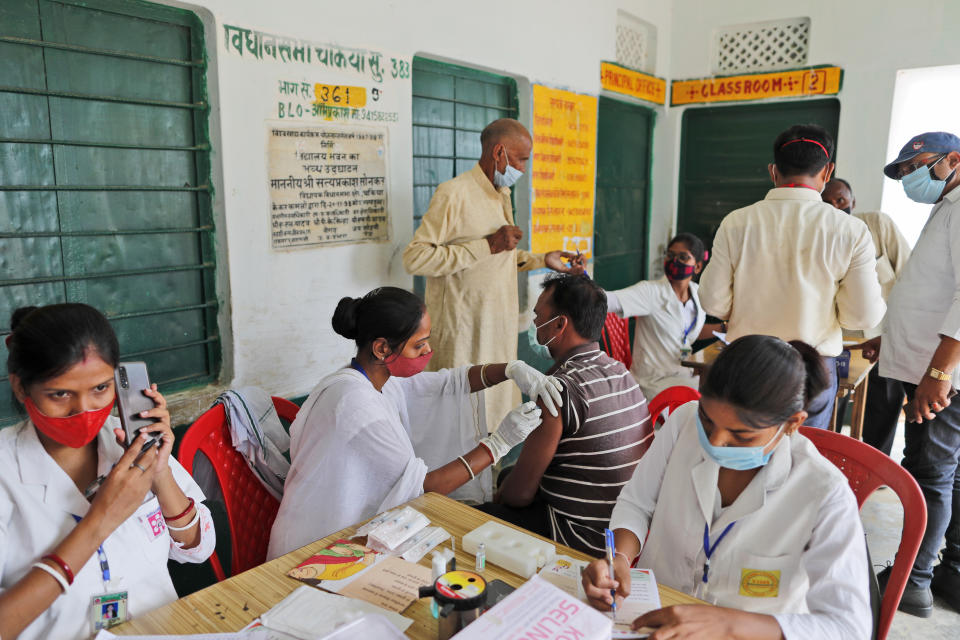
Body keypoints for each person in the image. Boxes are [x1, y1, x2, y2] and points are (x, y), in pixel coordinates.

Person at [581, 335, 871, 639]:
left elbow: (848, 627)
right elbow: (637, 503)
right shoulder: (682, 424)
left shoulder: (824, 494)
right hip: (653, 614)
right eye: (707, 421)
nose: (715, 442)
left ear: (793, 423)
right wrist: (620, 559)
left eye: (742, 436)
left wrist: (727, 624)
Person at [268, 287, 565, 559]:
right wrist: (499, 444)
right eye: (418, 345)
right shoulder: (355, 405)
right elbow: (425, 486)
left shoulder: (378, 380)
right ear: (382, 348)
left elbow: (451, 382)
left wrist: (512, 369)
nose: (427, 352)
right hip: (313, 544)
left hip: (341, 529)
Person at [0, 304, 215, 640]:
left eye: (100, 389)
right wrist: (101, 521)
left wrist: (159, 472)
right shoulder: (5, 472)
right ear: (20, 387)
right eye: (60, 394)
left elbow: (199, 548)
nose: (84, 410)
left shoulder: (130, 442)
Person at [402, 118, 584, 435]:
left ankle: (492, 477)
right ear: (499, 152)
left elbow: (496, 259)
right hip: (463, 334)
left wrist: (543, 259)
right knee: (459, 422)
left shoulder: (502, 194)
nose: (523, 168)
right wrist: (487, 244)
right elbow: (416, 258)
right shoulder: (453, 193)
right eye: (521, 159)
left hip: (497, 331)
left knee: (495, 419)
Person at [700, 124, 886, 429]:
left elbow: (713, 302)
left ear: (774, 172)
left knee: (746, 455)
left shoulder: (736, 222)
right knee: (803, 461)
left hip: (748, 364)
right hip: (810, 372)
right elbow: (862, 316)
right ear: (827, 172)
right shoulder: (850, 230)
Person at [478, 274, 652, 554]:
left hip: (582, 538)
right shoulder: (619, 370)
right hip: (626, 529)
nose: (535, 322)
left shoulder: (558, 389)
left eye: (538, 315)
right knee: (509, 474)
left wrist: (497, 497)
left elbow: (519, 496)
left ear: (560, 324)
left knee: (476, 517)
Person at [863, 132, 960, 616]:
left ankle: (915, 580)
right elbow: (929, 290)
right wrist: (890, 334)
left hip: (939, 374)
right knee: (936, 470)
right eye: (902, 171)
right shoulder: (947, 205)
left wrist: (939, 374)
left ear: (953, 160)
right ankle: (938, 571)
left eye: (915, 166)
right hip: (921, 362)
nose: (908, 177)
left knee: (930, 474)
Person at [822, 178, 911, 455]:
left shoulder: (877, 225)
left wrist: (896, 334)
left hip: (883, 337)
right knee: (830, 403)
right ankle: (828, 459)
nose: (836, 206)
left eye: (841, 200)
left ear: (853, 202)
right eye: (827, 202)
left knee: (884, 403)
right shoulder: (818, 236)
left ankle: (876, 467)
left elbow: (909, 277)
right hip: (839, 340)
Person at [605, 232, 722, 400]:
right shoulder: (651, 292)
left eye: (683, 257)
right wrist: (579, 278)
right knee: (710, 399)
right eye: (671, 255)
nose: (675, 261)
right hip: (653, 382)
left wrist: (723, 328)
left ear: (697, 267)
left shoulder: (697, 294)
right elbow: (609, 300)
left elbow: (688, 330)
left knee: (720, 389)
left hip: (682, 374)